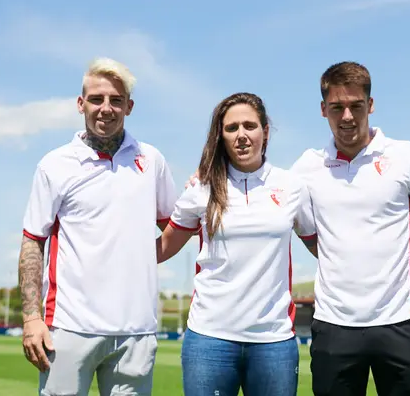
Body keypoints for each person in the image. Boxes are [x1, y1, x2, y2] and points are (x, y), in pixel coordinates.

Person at [290, 61, 410, 395]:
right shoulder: (306, 168)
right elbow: (271, 201)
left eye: (356, 106)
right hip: (334, 324)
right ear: (323, 109)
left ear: (370, 105)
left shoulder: (406, 156)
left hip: (400, 320)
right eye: (337, 107)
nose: (347, 117)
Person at [17, 57, 177, 396]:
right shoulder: (55, 164)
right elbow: (33, 241)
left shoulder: (151, 160)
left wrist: (143, 258)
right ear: (81, 104)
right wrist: (32, 319)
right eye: (96, 99)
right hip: (69, 328)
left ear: (129, 107)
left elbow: (174, 227)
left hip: (136, 331)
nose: (106, 108)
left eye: (116, 100)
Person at [157, 92, 317, 396]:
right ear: (221, 136)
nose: (241, 135)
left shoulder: (291, 187)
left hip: (274, 341)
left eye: (249, 126)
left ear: (265, 131)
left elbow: (320, 247)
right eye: (232, 128)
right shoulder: (201, 188)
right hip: (209, 338)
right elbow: (163, 248)